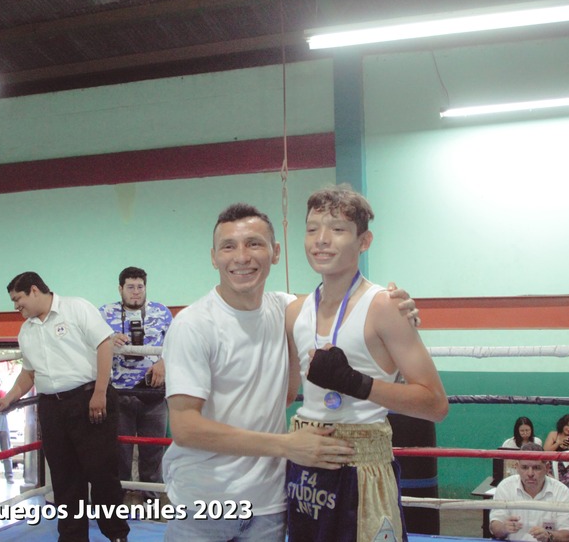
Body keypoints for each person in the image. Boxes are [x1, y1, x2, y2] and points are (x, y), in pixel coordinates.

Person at [162, 202, 419, 541]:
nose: (241, 256)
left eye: (254, 243)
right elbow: (185, 428)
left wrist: (397, 307)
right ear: (214, 257)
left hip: (270, 504)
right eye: (229, 246)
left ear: (275, 252)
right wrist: (286, 445)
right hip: (204, 502)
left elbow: (342, 301)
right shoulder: (194, 324)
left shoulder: (287, 310)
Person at [284, 185, 449, 542]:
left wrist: (358, 383)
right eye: (312, 229)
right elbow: (285, 395)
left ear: (364, 241)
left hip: (362, 468)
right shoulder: (294, 310)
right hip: (304, 466)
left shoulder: (384, 306)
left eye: (338, 229)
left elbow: (435, 405)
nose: (322, 240)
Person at [0, 271, 129, 542]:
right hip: (52, 407)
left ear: (34, 290)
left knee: (102, 475)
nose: (16, 306)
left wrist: (100, 391)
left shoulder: (76, 308)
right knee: (64, 480)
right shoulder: (26, 330)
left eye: (18, 299)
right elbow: (28, 373)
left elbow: (104, 345)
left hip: (89, 399)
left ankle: (117, 535)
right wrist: (8, 399)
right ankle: (73, 538)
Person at [99, 266, 172, 502]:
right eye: (130, 287)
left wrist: (164, 362)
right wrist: (109, 340)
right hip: (119, 394)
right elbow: (91, 344)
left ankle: (152, 502)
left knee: (153, 453)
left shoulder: (161, 311)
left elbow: (178, 345)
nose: (136, 292)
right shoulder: (104, 313)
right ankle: (117, 506)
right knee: (119, 453)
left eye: (140, 287)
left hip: (153, 394)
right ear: (120, 289)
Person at [489, 442, 569, 542]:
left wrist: (549, 536)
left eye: (536, 468)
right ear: (517, 467)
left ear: (546, 468)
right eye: (524, 467)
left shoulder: (561, 491)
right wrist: (503, 528)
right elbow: (495, 526)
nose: (530, 473)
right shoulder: (505, 487)